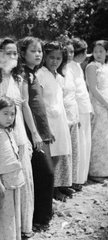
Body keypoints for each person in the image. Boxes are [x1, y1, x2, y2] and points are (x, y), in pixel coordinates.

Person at [0, 37, 34, 238]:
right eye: (8, 53)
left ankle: (21, 228)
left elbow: (23, 107)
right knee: (3, 182)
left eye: (15, 53)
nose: (12, 57)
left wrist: (32, 135)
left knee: (22, 179)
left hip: (18, 132)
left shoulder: (19, 79)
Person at [17, 36, 55, 232]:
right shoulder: (23, 74)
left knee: (46, 173)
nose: (38, 54)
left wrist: (47, 130)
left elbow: (40, 105)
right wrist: (35, 132)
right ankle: (38, 218)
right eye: (33, 51)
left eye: (40, 51)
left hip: (42, 129)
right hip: (32, 131)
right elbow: (24, 104)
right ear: (23, 53)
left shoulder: (35, 73)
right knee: (44, 173)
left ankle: (44, 215)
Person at [36, 41, 72, 202]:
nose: (55, 61)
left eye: (58, 58)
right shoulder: (41, 74)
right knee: (48, 158)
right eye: (51, 57)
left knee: (58, 155)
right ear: (45, 57)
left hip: (60, 120)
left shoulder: (58, 76)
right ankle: (46, 194)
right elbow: (40, 101)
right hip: (48, 120)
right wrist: (44, 127)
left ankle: (54, 189)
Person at [0, 96, 25, 240]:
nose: (9, 117)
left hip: (15, 179)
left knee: (13, 216)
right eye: (5, 113)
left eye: (12, 114)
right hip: (4, 181)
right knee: (4, 217)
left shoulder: (10, 132)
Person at [69, 38, 92, 185]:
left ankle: (82, 177)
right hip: (77, 110)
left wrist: (89, 108)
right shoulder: (69, 67)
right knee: (80, 144)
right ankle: (76, 178)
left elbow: (83, 90)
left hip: (84, 108)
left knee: (86, 142)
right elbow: (74, 92)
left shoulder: (77, 66)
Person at [60, 39, 81, 192]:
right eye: (67, 51)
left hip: (73, 112)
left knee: (73, 150)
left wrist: (78, 114)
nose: (70, 54)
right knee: (63, 152)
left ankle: (70, 182)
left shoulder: (73, 69)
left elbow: (75, 93)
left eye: (72, 51)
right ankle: (59, 186)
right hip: (62, 115)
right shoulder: (58, 70)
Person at [85, 40, 108, 183]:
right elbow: (93, 88)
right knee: (98, 136)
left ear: (107, 52)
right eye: (96, 51)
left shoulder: (106, 66)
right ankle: (96, 172)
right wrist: (106, 104)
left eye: (101, 51)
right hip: (99, 104)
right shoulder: (91, 67)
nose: (98, 54)